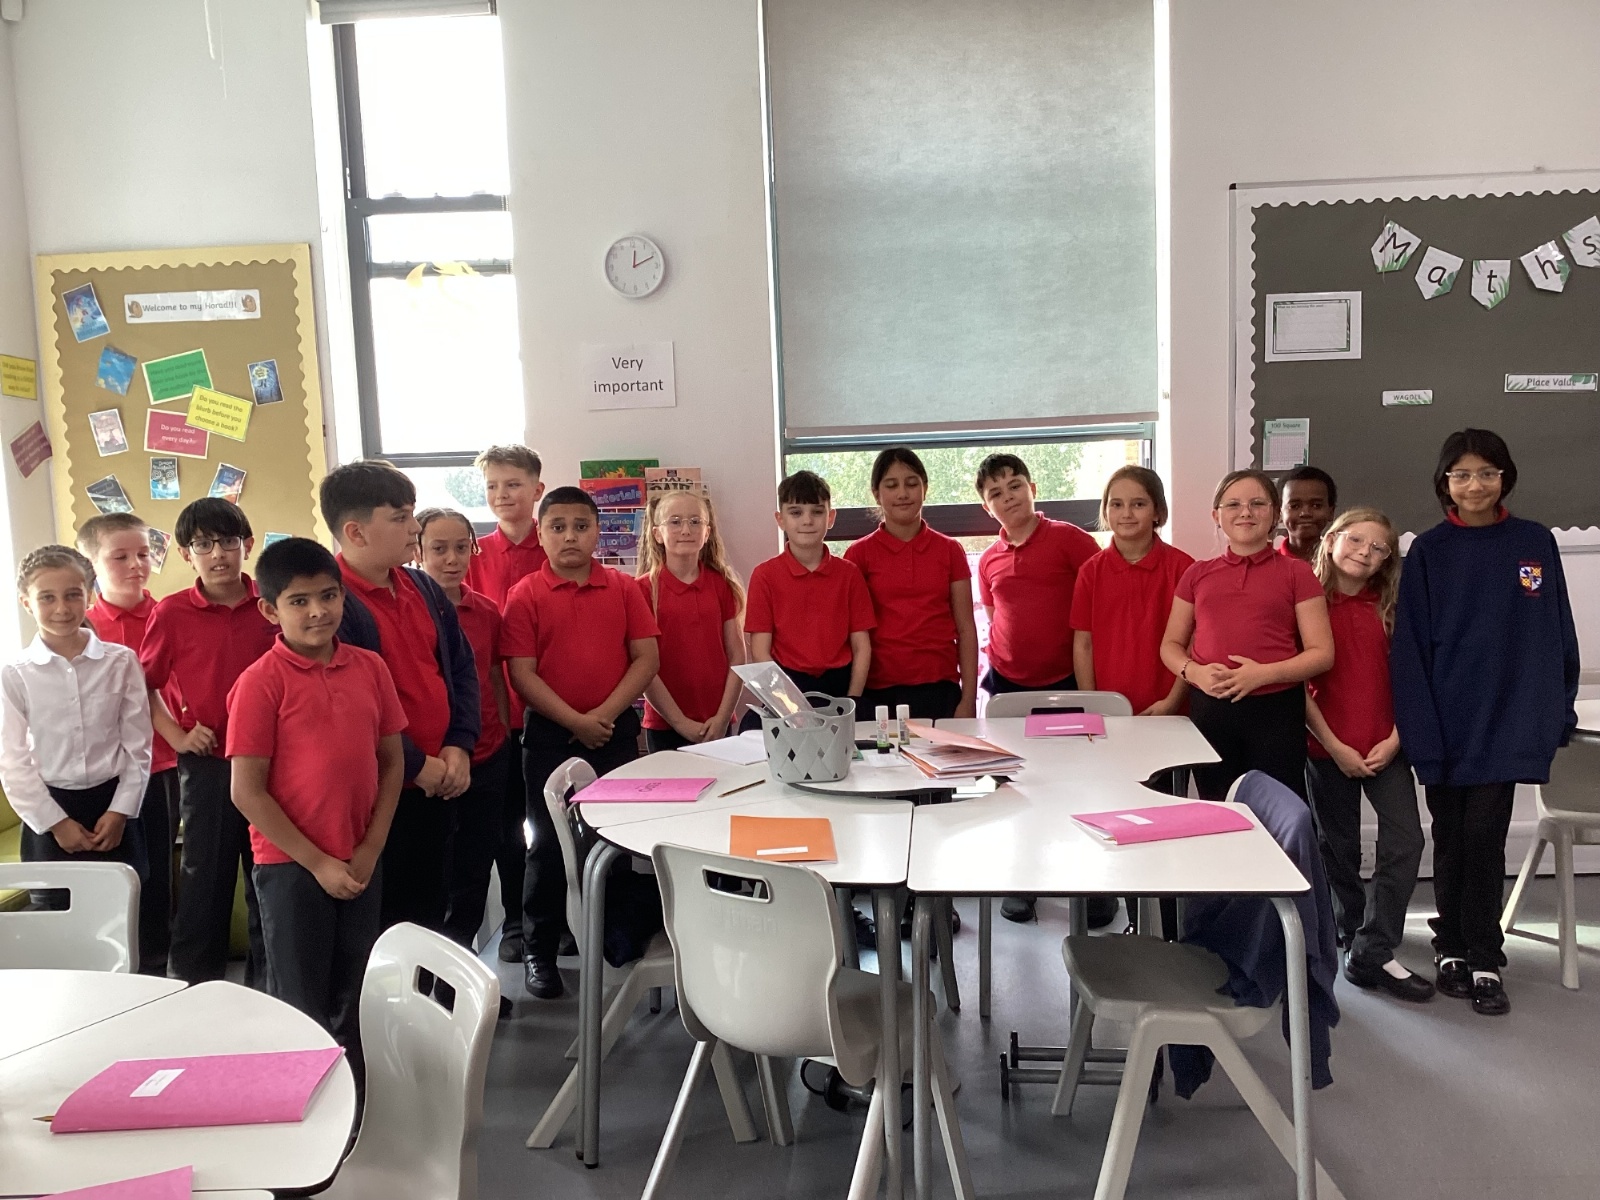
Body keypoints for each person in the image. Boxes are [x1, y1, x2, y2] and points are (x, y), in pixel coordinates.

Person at [1391, 429, 1578, 1017]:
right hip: (1447, 722)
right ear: (1445, 482)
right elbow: (1411, 648)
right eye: (1463, 474)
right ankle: (1450, 946)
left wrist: (1558, 708)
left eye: (1487, 473)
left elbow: (1557, 631)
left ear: (1505, 477)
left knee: (1486, 837)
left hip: (1508, 718)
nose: (1476, 485)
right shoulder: (1429, 551)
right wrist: (1421, 730)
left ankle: (1485, 957)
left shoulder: (1534, 542)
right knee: (1450, 837)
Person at [227, 538, 405, 1074]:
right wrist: (318, 862)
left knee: (358, 992)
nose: (318, 611)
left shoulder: (371, 668)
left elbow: (391, 762)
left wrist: (370, 848)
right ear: (270, 610)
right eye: (299, 601)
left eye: (328, 596)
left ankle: (356, 1101)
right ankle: (305, 1101)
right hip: (292, 867)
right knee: (301, 1003)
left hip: (360, 859)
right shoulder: (259, 683)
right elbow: (247, 791)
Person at [503, 485, 661, 999]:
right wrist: (575, 720)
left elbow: (646, 659)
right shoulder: (526, 593)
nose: (570, 536)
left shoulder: (622, 588)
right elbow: (521, 673)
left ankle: (612, 940)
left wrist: (603, 717)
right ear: (541, 532)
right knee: (549, 847)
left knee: (615, 843)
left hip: (613, 734)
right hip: (550, 737)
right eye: (558, 527)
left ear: (597, 532)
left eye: (580, 526)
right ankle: (540, 951)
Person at [323, 461, 480, 933]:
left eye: (412, 514)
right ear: (355, 532)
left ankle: (432, 982)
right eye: (400, 517)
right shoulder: (332, 605)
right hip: (381, 793)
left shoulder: (423, 586)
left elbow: (460, 668)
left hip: (441, 778)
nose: (414, 528)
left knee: (432, 908)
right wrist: (415, 764)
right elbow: (349, 710)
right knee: (384, 921)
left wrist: (458, 745)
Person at [140, 498, 275, 983]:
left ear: (247, 545)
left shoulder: (272, 604)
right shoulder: (172, 612)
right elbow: (145, 686)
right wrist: (178, 735)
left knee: (268, 877)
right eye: (203, 544)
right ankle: (194, 987)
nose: (218, 554)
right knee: (205, 880)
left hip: (274, 765)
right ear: (185, 553)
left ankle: (269, 987)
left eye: (228, 541)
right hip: (209, 764)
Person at [1304, 508, 1433, 1002]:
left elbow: (1416, 678)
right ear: (1332, 539)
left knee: (1406, 842)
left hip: (1387, 748)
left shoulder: (1394, 607)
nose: (1365, 552)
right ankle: (1352, 929)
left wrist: (1396, 739)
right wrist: (1335, 747)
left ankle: (1373, 947)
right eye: (1357, 540)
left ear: (1387, 560)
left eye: (1379, 548)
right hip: (1326, 749)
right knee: (1338, 849)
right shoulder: (1307, 603)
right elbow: (1298, 687)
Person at [1159, 470, 1333, 802]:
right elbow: (1171, 645)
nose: (1246, 512)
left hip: (1276, 711)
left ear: (1274, 514)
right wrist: (1194, 672)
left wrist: (1262, 675)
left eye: (1257, 503)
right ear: (1216, 515)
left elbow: (1322, 653)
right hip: (1211, 709)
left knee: (1279, 808)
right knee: (1220, 807)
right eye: (1233, 504)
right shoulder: (1197, 574)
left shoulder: (1297, 572)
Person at [0, 546, 150, 903]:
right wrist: (56, 823)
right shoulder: (14, 674)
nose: (62, 608)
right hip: (50, 809)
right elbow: (12, 760)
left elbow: (138, 745)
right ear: (26, 602)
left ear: (89, 595)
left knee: (120, 913)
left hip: (112, 805)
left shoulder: (121, 662)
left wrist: (120, 811)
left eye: (72, 595)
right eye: (47, 597)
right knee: (56, 916)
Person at [77, 513, 180, 975]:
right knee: (105, 874)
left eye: (143, 553)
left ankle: (155, 969)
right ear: (92, 564)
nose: (136, 565)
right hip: (100, 771)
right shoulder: (81, 626)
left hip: (161, 765)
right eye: (120, 557)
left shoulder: (170, 614)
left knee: (156, 872)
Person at [414, 507, 513, 948]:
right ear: (418, 551)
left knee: (476, 866)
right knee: (434, 872)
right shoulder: (411, 610)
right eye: (439, 549)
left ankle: (461, 963)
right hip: (429, 765)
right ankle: (430, 967)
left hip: (487, 754)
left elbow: (493, 676)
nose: (452, 559)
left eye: (461, 548)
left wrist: (503, 731)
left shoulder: (486, 611)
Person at [463, 443, 545, 964]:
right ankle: (515, 921)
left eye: (512, 484)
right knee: (507, 827)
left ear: (537, 489)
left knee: (554, 826)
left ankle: (556, 921)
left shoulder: (557, 544)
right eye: (492, 486)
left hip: (552, 712)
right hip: (496, 718)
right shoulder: (472, 556)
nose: (501, 495)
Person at [844, 447, 978, 721]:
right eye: (891, 485)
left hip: (940, 690)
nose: (903, 493)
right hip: (877, 692)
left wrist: (968, 699)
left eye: (912, 483)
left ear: (925, 488)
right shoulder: (859, 555)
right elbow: (853, 635)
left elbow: (966, 629)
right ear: (876, 494)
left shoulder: (950, 550)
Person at [1071, 466, 1195, 716]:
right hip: (1109, 711)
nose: (1126, 513)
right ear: (1105, 510)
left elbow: (1194, 643)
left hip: (1170, 710)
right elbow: (1083, 645)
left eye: (1138, 504)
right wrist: (1093, 705)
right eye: (1116, 504)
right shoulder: (1090, 572)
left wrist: (1172, 702)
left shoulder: (1184, 568)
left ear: (1157, 511)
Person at [974, 452, 1099, 695]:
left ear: (1032, 489)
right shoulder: (987, 560)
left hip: (1068, 677)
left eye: (1015, 486)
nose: (1008, 497)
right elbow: (994, 614)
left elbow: (1103, 601)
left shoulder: (1071, 539)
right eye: (996, 494)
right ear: (987, 508)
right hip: (1005, 680)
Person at [744, 470, 874, 699]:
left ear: (830, 517)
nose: (807, 520)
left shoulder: (849, 574)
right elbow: (760, 652)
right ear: (780, 519)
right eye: (796, 512)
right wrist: (787, 704)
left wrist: (852, 700)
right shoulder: (764, 576)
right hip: (786, 686)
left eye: (817, 511)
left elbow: (862, 647)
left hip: (841, 686)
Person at [634, 490, 747, 753]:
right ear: (657, 533)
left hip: (717, 724)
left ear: (707, 533)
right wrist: (680, 722)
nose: (686, 529)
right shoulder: (642, 591)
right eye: (675, 521)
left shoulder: (722, 586)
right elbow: (643, 666)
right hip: (665, 726)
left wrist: (722, 718)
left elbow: (737, 656)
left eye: (695, 521)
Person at [1279, 465, 1338, 562]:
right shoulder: (1268, 565)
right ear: (1280, 513)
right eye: (1295, 506)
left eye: (1316, 505)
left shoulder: (1342, 564)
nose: (1305, 513)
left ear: (1331, 512)